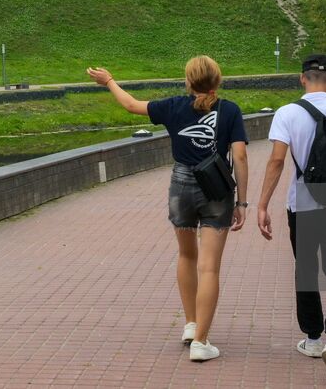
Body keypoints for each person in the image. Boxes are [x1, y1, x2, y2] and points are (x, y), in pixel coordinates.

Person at [87, 57, 248, 363]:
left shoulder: (173, 107)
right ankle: (201, 341)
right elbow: (239, 155)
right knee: (210, 267)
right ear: (218, 80)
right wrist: (242, 202)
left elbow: (131, 105)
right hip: (217, 190)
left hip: (182, 186)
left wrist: (109, 81)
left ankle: (190, 324)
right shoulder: (230, 110)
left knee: (187, 255)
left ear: (188, 82)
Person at [257, 53, 326, 384]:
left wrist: (261, 205)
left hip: (302, 205)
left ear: (302, 78)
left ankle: (313, 339)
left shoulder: (287, 113)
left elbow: (277, 161)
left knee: (306, 269)